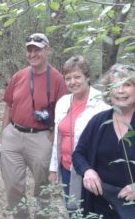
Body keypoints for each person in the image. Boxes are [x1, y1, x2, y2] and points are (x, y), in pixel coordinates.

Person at [0, 33, 67, 219]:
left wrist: (52, 137)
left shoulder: (57, 79)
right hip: (13, 134)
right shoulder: (19, 76)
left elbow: (63, 112)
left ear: (47, 50)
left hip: (41, 137)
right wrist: (5, 131)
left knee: (43, 188)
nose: (32, 53)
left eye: (37, 49)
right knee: (12, 185)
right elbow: (8, 104)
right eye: (29, 49)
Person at [72, 64, 135, 218]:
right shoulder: (99, 121)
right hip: (101, 203)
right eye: (115, 85)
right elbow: (79, 153)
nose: (120, 91)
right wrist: (87, 170)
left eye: (127, 84)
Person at [48, 55, 110, 211]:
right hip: (67, 168)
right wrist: (53, 168)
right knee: (72, 209)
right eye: (68, 78)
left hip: (93, 171)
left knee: (92, 211)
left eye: (77, 77)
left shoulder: (102, 103)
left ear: (87, 77)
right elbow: (58, 138)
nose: (72, 82)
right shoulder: (63, 102)